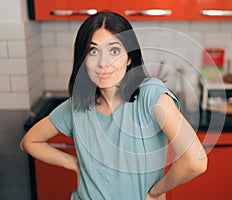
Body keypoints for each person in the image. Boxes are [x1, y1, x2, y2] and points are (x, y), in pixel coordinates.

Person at [20, 10, 207, 200]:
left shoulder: (151, 95)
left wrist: (155, 192)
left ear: (129, 57)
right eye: (93, 51)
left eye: (114, 51)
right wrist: (76, 164)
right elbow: (29, 142)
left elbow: (196, 160)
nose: (103, 63)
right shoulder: (76, 106)